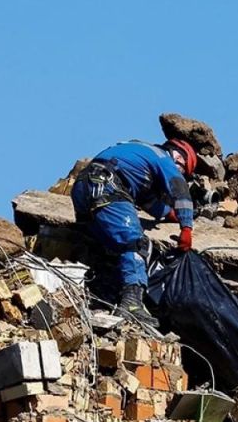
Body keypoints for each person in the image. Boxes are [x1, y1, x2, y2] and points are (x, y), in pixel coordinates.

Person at [71, 138, 197, 327]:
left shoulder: (140, 158)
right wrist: (186, 226)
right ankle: (132, 304)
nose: (180, 173)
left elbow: (149, 202)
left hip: (84, 186)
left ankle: (99, 295)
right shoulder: (163, 158)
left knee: (107, 248)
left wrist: (170, 214)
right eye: (183, 170)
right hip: (108, 185)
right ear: (179, 158)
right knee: (136, 244)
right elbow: (179, 189)